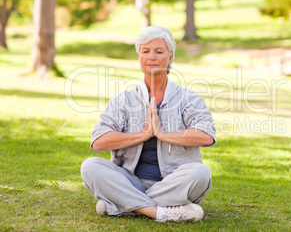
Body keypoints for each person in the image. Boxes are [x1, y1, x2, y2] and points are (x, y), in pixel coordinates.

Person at [80, 26, 216, 222]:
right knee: (90, 166)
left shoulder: (188, 99)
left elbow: (206, 135)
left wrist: (161, 133)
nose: (152, 57)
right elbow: (99, 141)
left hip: (173, 182)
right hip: (129, 181)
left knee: (201, 173)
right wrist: (143, 134)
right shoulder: (124, 100)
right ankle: (159, 212)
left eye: (159, 52)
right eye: (145, 51)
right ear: (139, 57)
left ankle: (119, 204)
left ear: (170, 57)